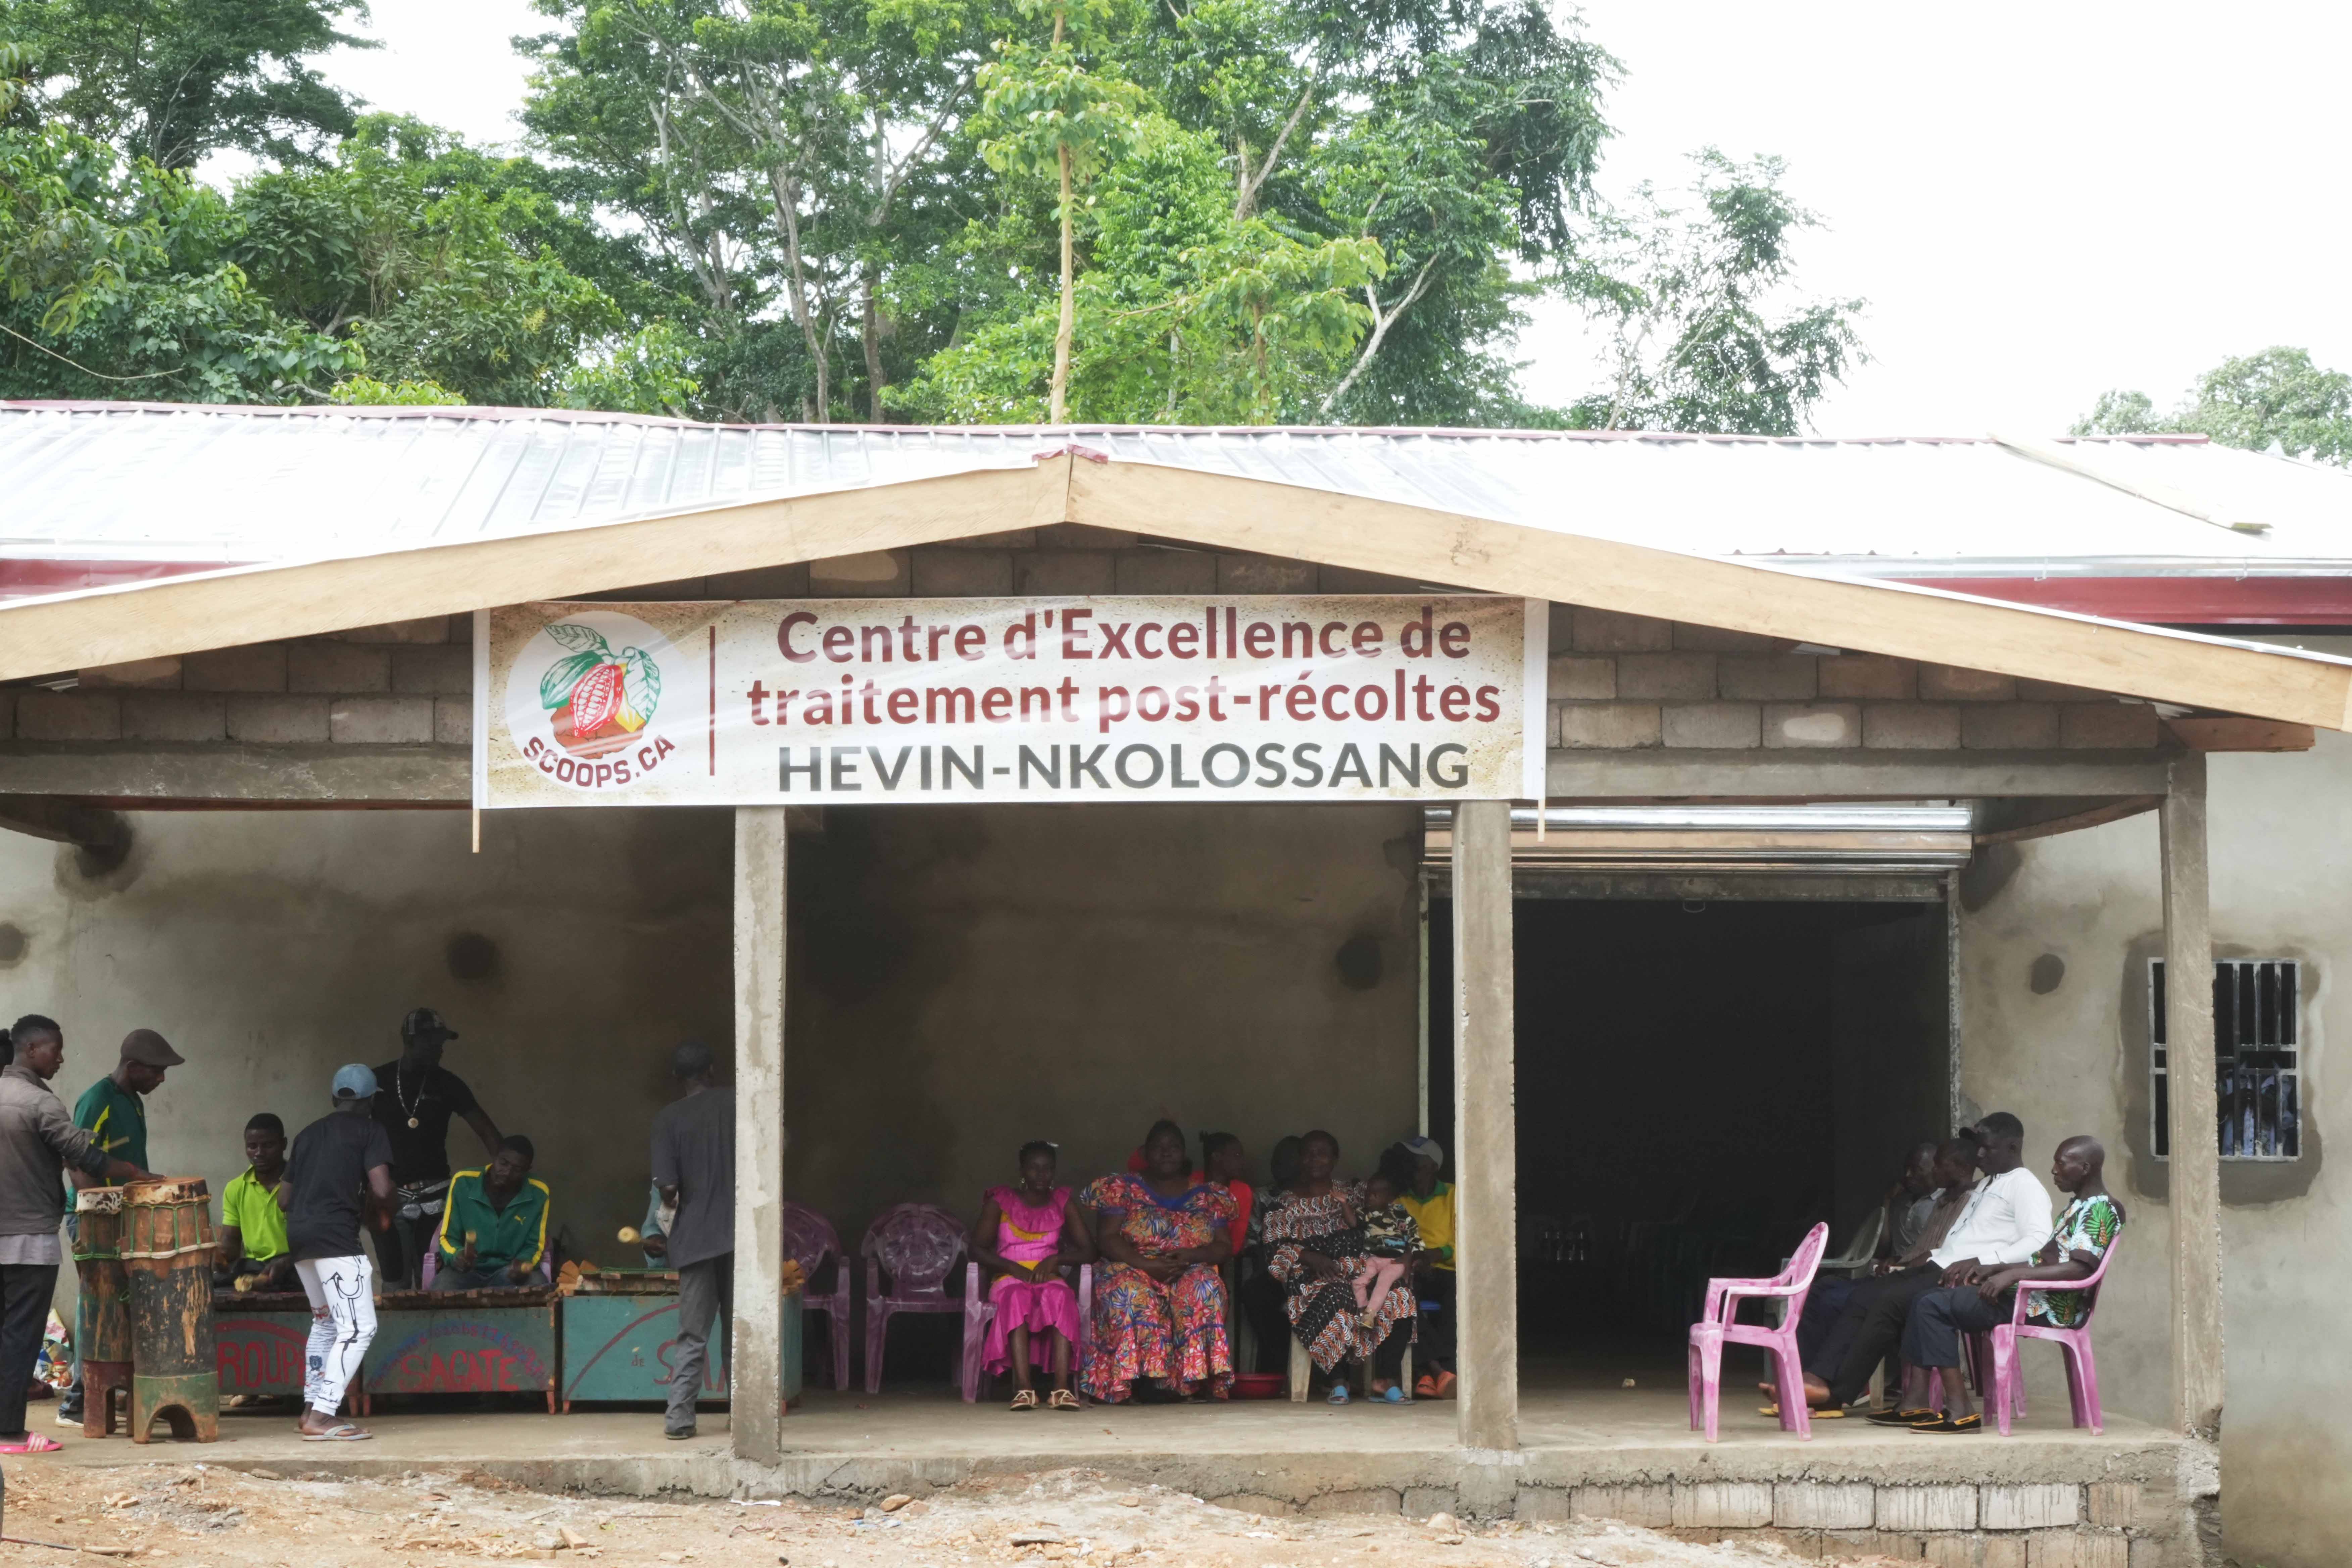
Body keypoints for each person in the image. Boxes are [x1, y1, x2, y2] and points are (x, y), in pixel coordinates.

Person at [1813, 1113, 2053, 1420]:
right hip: (1941, 1264)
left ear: (2012, 1147)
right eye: (1978, 1147)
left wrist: (1984, 1262)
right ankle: (1825, 1380)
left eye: (1987, 1149)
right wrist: (1936, 1252)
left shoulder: (2025, 1186)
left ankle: (1837, 1394)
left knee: (1890, 1303)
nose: (1979, 1155)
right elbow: (1971, 1236)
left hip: (1964, 1275)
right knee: (1867, 1294)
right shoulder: (1988, 1184)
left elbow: (2038, 1242)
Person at [1898, 1136, 2125, 1434]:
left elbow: (2079, 1269)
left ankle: (1960, 1410)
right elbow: (2045, 1262)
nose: (2054, 1170)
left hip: (2049, 1306)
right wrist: (1996, 1267)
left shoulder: (2101, 1209)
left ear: (2084, 1167)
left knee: (1932, 1306)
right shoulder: (2078, 1206)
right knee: (1926, 1298)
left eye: (2061, 1163)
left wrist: (2013, 1276)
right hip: (2027, 1296)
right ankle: (1915, 1402)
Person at [0, 1016, 145, 1453]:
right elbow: (85, 1157)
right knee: (20, 1337)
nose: (61, 1058)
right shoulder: (37, 1103)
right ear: (30, 1050)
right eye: (54, 1049)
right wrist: (136, 1173)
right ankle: (9, 1432)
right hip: (28, 1242)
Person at [1079, 1119, 1236, 1403]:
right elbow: (1108, 1238)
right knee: (1129, 1293)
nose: (1167, 1153)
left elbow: (1224, 1247)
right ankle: (1133, 1384)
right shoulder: (1122, 1188)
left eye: (1174, 1147)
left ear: (1184, 1153)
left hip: (1187, 1266)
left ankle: (1189, 1384)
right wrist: (1145, 1264)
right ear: (1145, 1152)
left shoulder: (1209, 1196)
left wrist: (1191, 1256)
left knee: (1206, 1288)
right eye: (1159, 1148)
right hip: (1131, 1266)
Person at [279, 1064, 396, 1441]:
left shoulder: (308, 1133)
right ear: (372, 1101)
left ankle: (310, 1408)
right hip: (336, 1239)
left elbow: (284, 1198)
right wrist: (392, 1202)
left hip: (300, 1237)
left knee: (325, 1322)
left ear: (335, 1099)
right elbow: (381, 1189)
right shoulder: (371, 1129)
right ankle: (324, 1414)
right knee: (360, 1327)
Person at [1262, 1130, 1416, 1405]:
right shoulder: (1282, 1204)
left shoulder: (1355, 1193)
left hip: (1362, 1271)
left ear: (1335, 1159)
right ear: (1300, 1158)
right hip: (1313, 1278)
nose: (1315, 1160)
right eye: (1308, 1153)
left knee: (1400, 1295)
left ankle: (1386, 1380)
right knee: (1336, 1293)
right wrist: (1310, 1256)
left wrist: (1405, 1254)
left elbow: (1389, 1218)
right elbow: (1274, 1251)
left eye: (1323, 1153)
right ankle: (1338, 1381)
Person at [371, 1008, 502, 1289]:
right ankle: (398, 1334)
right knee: (395, 1284)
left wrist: (505, 1182)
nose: (440, 1050)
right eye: (432, 1043)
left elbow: (488, 1133)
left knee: (437, 1281)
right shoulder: (377, 1082)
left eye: (441, 1043)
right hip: (389, 1196)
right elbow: (353, 1135)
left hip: (438, 1197)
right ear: (410, 1041)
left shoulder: (448, 1084)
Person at [650, 1040, 733, 1440]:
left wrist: (673, 1200)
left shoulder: (668, 1119)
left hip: (696, 1239)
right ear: (712, 1070)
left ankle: (680, 1419)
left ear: (675, 1078)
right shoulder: (739, 1104)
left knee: (693, 1333)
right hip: (742, 1237)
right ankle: (746, 1416)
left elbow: (668, 1188)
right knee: (741, 1329)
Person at [970, 1141, 1090, 1410]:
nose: (1042, 1175)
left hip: (1047, 1277)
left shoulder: (1062, 1202)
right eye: (1035, 1169)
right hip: (1008, 1277)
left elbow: (1090, 1250)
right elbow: (976, 1249)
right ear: (1022, 1170)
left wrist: (1056, 1259)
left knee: (1062, 1296)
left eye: (1048, 1169)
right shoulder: (1000, 1201)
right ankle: (1023, 1389)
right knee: (1016, 1297)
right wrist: (1013, 1269)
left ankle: (1061, 1390)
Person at [432, 1136, 552, 1290]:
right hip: (468, 1271)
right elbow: (447, 1237)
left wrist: (523, 1263)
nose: (507, 1173)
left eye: (517, 1170)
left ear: (527, 1170)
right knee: (439, 1289)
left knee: (538, 1286)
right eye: (503, 1163)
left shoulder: (539, 1192)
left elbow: (535, 1245)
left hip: (508, 1272)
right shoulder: (463, 1182)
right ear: (495, 1156)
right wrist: (457, 1256)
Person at [1393, 1135, 1456, 1399]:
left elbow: (1465, 1240)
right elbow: (1393, 1243)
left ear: (1432, 1167)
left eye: (1415, 1162)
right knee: (1404, 1298)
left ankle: (1430, 1373)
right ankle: (1439, 1371)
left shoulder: (1455, 1195)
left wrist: (1434, 1255)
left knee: (1459, 1296)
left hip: (1448, 1268)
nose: (1409, 1168)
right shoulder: (1400, 1201)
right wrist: (1417, 1259)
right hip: (1414, 1268)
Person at [217, 1114, 296, 1291]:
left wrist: (289, 1262)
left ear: (283, 1144)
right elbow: (231, 1242)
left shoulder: (302, 1183)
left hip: (296, 1263)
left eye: (268, 1145)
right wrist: (219, 1257)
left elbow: (316, 1240)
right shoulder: (235, 1188)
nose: (259, 1153)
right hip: (255, 1267)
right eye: (252, 1147)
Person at [1352, 1165, 1420, 1325]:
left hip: (1396, 1261)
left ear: (1390, 1198)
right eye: (1368, 1193)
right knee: (1358, 1281)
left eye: (1376, 1195)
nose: (1370, 1197)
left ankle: (1370, 1314)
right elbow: (1353, 1222)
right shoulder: (1366, 1213)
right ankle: (1363, 1311)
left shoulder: (1400, 1216)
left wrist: (1410, 1258)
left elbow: (1413, 1237)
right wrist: (1343, 1204)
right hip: (1375, 1259)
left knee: (1384, 1280)